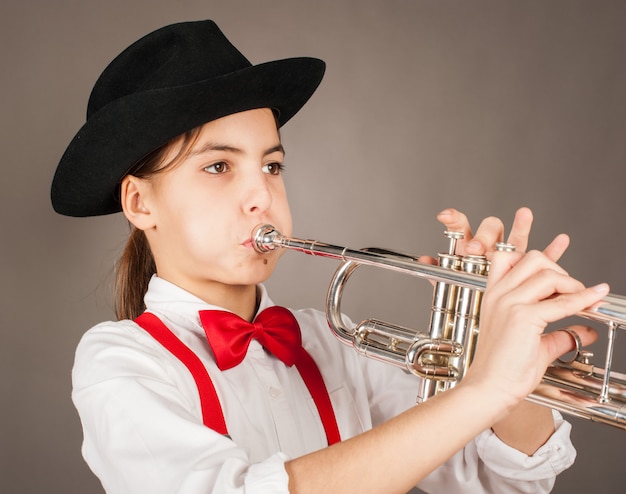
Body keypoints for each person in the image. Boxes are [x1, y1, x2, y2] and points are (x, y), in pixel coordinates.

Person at [51, 20, 608, 494]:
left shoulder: (332, 341)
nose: (261, 197)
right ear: (139, 201)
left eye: (272, 166)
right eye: (219, 167)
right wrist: (485, 389)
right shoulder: (119, 362)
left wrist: (501, 361)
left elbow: (497, 480)